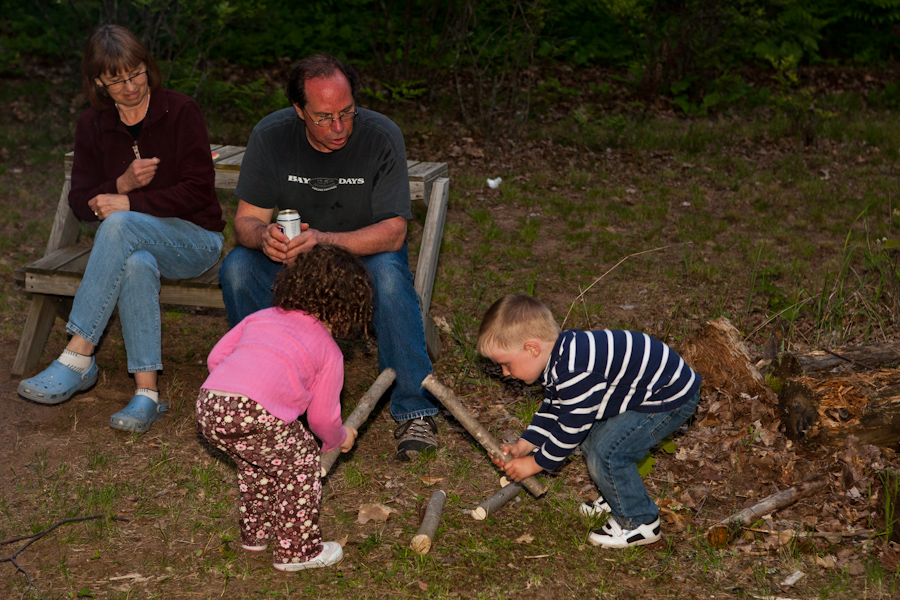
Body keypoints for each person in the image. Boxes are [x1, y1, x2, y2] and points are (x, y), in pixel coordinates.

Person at [218, 54, 438, 461]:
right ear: (299, 110)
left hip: (360, 255)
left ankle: (414, 408)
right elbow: (245, 222)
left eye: (346, 112)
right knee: (237, 269)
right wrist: (263, 236)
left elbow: (394, 232)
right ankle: (262, 393)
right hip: (292, 260)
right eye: (323, 117)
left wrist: (324, 239)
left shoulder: (380, 135)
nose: (338, 127)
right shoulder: (271, 135)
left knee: (390, 278)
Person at [17, 25, 225, 434]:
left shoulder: (181, 112)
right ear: (98, 81)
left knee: (119, 224)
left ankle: (78, 354)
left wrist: (129, 203)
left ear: (147, 67)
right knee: (136, 262)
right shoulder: (92, 126)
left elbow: (199, 192)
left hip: (195, 241)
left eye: (137, 73)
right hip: (137, 242)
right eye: (116, 79)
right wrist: (121, 185)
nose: (130, 87)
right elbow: (81, 202)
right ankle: (147, 394)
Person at [197, 244, 372, 571]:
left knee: (257, 463)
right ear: (347, 308)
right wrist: (339, 438)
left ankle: (255, 534)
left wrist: (239, 384)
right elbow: (321, 418)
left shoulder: (260, 317)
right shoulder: (329, 350)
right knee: (302, 460)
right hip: (255, 411)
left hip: (210, 405)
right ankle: (298, 552)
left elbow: (215, 359)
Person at [478, 294, 702, 549]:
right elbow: (554, 409)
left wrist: (535, 463)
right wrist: (525, 446)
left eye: (506, 364)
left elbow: (570, 427)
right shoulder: (561, 357)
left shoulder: (574, 371)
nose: (505, 373)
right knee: (594, 439)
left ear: (531, 348)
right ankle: (616, 495)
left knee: (606, 451)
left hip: (668, 398)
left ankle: (639, 520)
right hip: (645, 391)